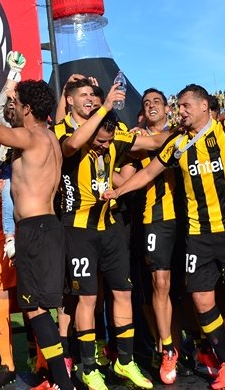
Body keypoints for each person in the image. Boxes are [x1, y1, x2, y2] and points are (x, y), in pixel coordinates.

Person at [105, 44, 225, 390]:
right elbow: (149, 172)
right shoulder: (177, 143)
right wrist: (119, 191)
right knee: (200, 299)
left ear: (204, 107)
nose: (179, 111)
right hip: (198, 234)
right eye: (177, 106)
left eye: (184, 106)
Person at [0, 55, 74, 390]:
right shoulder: (51, 139)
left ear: (27, 109)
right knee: (39, 310)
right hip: (48, 228)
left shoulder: (33, 137)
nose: (13, 108)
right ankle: (59, 379)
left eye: (16, 104)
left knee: (36, 310)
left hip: (35, 231)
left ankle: (62, 382)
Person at [59, 83, 163, 390]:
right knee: (87, 298)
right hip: (78, 229)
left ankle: (125, 361)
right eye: (99, 142)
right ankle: (88, 366)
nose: (103, 146)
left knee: (122, 293)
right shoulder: (64, 130)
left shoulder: (114, 134)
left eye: (107, 141)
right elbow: (71, 145)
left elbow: (155, 142)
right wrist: (104, 107)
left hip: (111, 229)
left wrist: (183, 133)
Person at [125, 87, 186, 384]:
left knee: (189, 289)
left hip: (188, 219)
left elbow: (161, 142)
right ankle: (167, 348)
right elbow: (134, 154)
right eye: (146, 102)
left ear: (166, 108)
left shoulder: (178, 132)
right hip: (155, 218)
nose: (150, 105)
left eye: (156, 102)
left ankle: (191, 344)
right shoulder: (137, 139)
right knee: (158, 283)